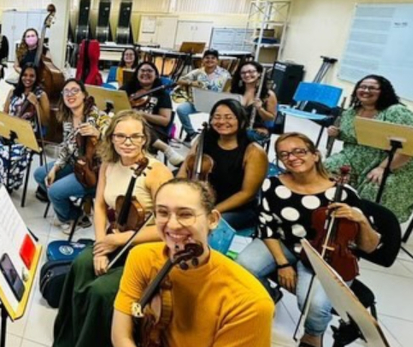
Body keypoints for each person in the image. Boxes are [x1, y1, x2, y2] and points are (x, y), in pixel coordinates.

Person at [236, 132, 381, 347]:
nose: (292, 157)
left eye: (299, 151)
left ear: (315, 155)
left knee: (312, 304)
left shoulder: (345, 193)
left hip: (322, 253)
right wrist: (282, 263)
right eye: (284, 154)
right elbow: (266, 226)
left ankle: (313, 335)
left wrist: (361, 220)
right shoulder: (272, 185)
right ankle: (269, 296)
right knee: (242, 267)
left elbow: (370, 246)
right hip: (284, 243)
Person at [52, 111, 171, 347]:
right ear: (112, 138)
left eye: (134, 137)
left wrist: (118, 241)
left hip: (144, 248)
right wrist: (100, 246)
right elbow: (98, 205)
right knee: (80, 266)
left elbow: (165, 227)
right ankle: (68, 338)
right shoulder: (108, 164)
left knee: (101, 292)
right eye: (121, 136)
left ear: (144, 139)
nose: (127, 143)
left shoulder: (158, 173)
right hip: (113, 238)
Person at [112, 179, 274, 347]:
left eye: (185, 214)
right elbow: (121, 334)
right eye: (162, 213)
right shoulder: (141, 256)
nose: (172, 225)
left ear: (212, 219)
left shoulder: (251, 303)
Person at [326, 74, 413, 223]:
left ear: (383, 91)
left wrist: (382, 168)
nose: (366, 90)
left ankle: (370, 226)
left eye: (372, 88)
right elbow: (351, 137)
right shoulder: (351, 112)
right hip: (352, 157)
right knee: (325, 167)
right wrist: (336, 132)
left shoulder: (396, 111)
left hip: (393, 162)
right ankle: (331, 213)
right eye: (362, 87)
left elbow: (409, 147)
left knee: (374, 187)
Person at [176, 99, 267, 230]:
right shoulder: (204, 139)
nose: (222, 122)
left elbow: (247, 194)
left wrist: (211, 210)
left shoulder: (253, 151)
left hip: (236, 209)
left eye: (229, 117)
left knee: (202, 226)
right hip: (201, 202)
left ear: (241, 121)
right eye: (217, 117)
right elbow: (185, 169)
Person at [33, 79, 108, 229]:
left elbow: (114, 140)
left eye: (75, 91)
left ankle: (70, 218)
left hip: (94, 172)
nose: (70, 94)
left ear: (84, 95)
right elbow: (67, 147)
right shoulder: (68, 118)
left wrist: (99, 134)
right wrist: (55, 169)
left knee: (54, 191)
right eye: (66, 91)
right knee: (41, 174)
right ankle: (75, 212)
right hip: (75, 163)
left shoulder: (99, 116)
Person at [0, 64, 49, 191]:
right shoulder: (13, 92)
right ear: (21, 76)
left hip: (26, 137)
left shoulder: (41, 95)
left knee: (9, 154)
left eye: (32, 76)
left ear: (37, 77)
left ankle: (9, 184)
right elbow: (5, 114)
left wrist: (36, 104)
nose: (28, 78)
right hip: (9, 132)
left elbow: (45, 122)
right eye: (25, 75)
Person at [122, 61, 183, 165]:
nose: (145, 73)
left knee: (138, 126)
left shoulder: (162, 94)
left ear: (156, 75)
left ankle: (160, 151)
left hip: (154, 129)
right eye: (142, 70)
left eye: (149, 71)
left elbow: (165, 120)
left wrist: (142, 115)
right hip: (126, 126)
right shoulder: (127, 89)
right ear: (137, 74)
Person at [175, 49, 231, 141]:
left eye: (213, 58)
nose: (210, 60)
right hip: (197, 102)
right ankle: (191, 134)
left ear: (217, 60)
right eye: (207, 58)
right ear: (203, 60)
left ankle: (212, 137)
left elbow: (228, 88)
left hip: (216, 104)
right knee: (181, 109)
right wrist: (191, 83)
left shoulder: (225, 74)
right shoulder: (197, 72)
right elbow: (179, 80)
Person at [231, 60, 277, 143]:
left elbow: (271, 117)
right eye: (243, 73)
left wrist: (260, 109)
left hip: (255, 130)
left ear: (259, 73)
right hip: (235, 128)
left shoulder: (268, 94)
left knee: (243, 137)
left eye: (251, 72)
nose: (247, 75)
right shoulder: (234, 92)